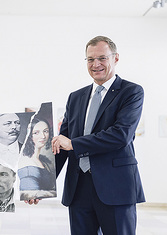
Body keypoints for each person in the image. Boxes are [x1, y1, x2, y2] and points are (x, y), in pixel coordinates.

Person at [51, 36, 145, 235]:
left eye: (102, 58)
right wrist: (41, 186)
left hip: (116, 187)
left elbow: (120, 135)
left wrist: (74, 144)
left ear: (115, 58)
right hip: (79, 188)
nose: (96, 64)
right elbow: (62, 143)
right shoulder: (75, 97)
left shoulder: (131, 92)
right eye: (90, 59)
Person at [18, 117, 56, 200]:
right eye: (36, 133)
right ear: (28, 135)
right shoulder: (27, 167)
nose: (43, 136)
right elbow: (30, 195)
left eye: (45, 131)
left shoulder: (41, 159)